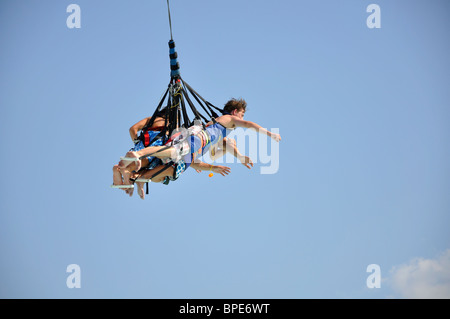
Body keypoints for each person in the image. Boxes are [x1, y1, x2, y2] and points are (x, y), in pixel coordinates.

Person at [119, 98, 281, 173]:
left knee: (167, 165)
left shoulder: (220, 127)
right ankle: (138, 154)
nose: (242, 118)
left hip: (200, 146)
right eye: (242, 114)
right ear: (234, 112)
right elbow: (248, 125)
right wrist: (269, 133)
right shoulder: (229, 119)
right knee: (169, 152)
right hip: (197, 141)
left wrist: (240, 158)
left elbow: (228, 144)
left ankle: (133, 173)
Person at [112, 111, 168, 196]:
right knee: (150, 164)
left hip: (142, 143)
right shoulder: (170, 124)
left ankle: (122, 171)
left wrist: (137, 142)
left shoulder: (151, 119)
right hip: (155, 146)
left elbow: (132, 129)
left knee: (137, 163)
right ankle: (126, 171)